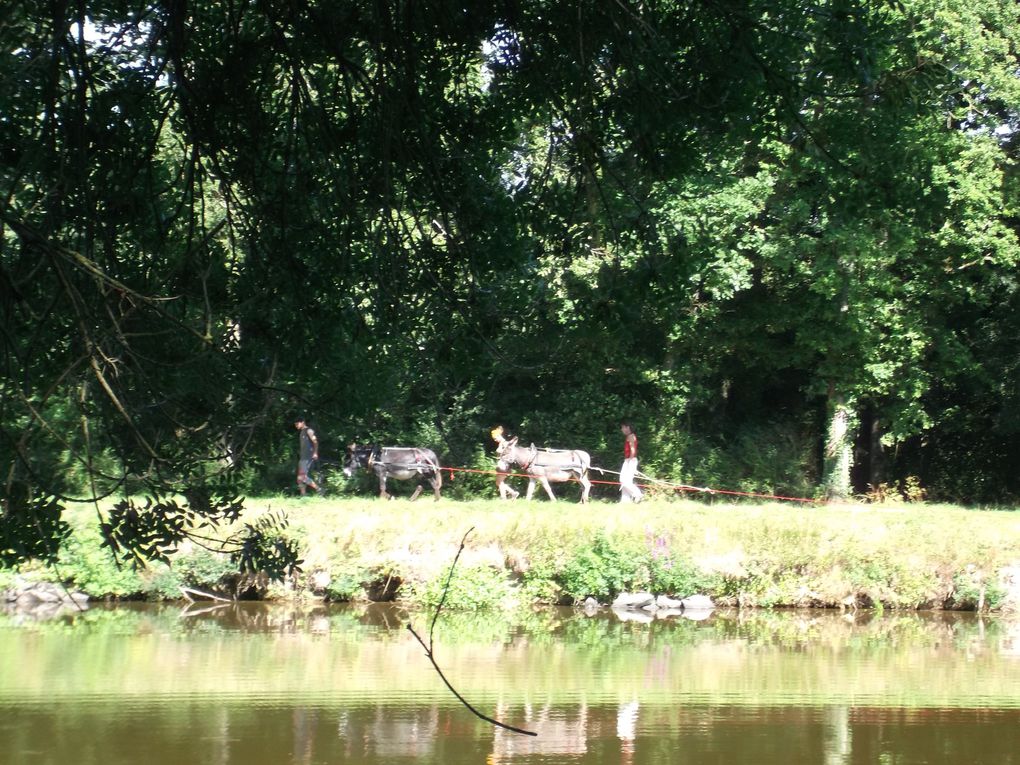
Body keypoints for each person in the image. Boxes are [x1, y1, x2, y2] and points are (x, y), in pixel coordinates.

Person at [294, 416, 324, 496]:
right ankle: (303, 496)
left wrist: (315, 453)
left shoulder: (309, 430)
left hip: (307, 457)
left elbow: (315, 441)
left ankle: (319, 489)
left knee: (302, 477)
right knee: (299, 479)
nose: (296, 426)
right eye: (295, 424)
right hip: (302, 458)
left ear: (303, 422)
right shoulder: (302, 432)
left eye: (297, 424)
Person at [619, 422, 643, 503]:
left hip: (630, 460)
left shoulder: (631, 436)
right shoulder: (629, 437)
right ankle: (625, 500)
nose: (621, 429)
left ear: (627, 427)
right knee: (626, 481)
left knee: (623, 480)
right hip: (628, 460)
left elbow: (633, 450)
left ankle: (638, 494)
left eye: (622, 427)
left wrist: (630, 462)